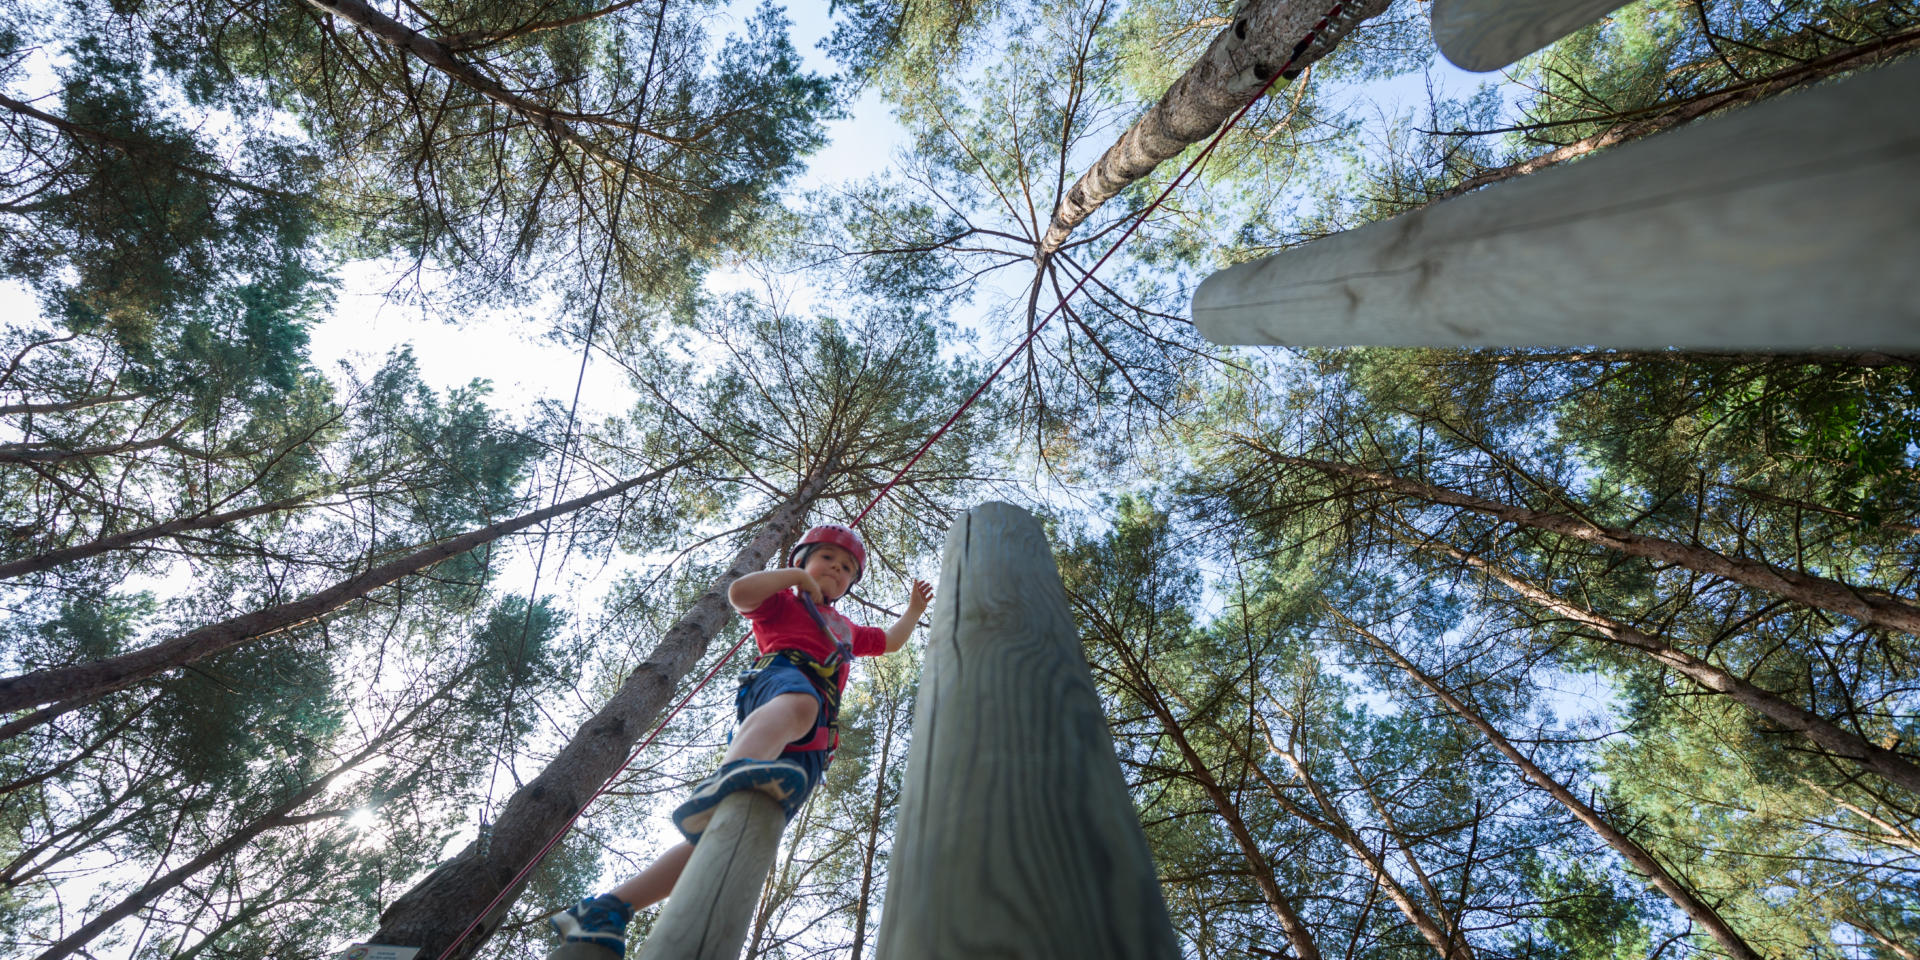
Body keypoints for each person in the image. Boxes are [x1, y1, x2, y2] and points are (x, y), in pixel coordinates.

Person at [549, 523, 933, 957]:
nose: (837, 570)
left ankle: (607, 909)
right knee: (799, 705)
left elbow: (892, 642)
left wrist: (914, 610)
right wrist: (794, 579)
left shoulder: (845, 627)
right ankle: (732, 773)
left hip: (815, 736)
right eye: (827, 558)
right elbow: (740, 595)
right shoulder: (786, 602)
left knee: (735, 834)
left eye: (846, 569)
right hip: (781, 682)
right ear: (802, 560)